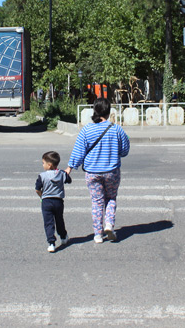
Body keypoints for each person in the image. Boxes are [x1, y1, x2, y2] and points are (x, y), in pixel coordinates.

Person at [65, 98, 130, 243]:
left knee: (97, 202)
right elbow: (124, 151)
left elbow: (78, 151)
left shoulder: (87, 129)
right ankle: (109, 225)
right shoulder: (116, 129)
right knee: (111, 198)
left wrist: (70, 167)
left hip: (92, 173)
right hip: (112, 171)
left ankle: (98, 235)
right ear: (108, 111)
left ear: (95, 110)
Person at [35, 151, 72, 253]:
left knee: (49, 222)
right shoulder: (61, 174)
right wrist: (64, 173)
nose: (43, 165)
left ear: (49, 165)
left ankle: (51, 243)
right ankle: (64, 236)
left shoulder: (42, 176)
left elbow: (37, 189)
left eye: (43, 163)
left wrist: (42, 196)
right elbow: (68, 180)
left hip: (46, 202)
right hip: (58, 202)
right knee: (59, 219)